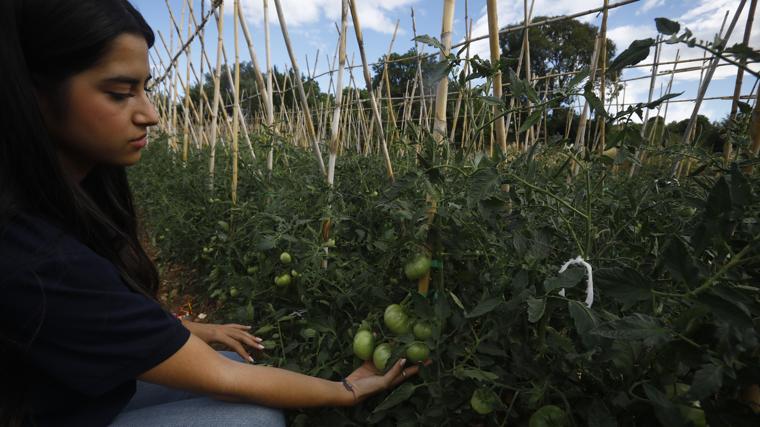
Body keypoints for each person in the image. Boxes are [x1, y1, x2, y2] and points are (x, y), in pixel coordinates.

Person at [0, 1, 422, 426]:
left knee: (224, 358)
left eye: (146, 88)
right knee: (250, 418)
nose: (151, 114)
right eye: (119, 93)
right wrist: (345, 391)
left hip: (58, 396)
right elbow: (224, 377)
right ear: (34, 94)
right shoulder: (33, 256)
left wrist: (199, 330)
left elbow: (98, 312)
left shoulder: (55, 209)